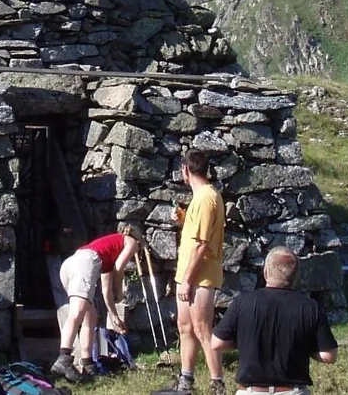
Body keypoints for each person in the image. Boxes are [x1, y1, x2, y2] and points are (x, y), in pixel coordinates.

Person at [210, 248, 338, 395]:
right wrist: (304, 348)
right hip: (292, 392)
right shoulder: (310, 307)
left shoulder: (243, 302)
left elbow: (217, 343)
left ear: (265, 273)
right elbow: (329, 356)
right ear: (296, 276)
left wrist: (245, 343)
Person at [161, 149, 225, 395]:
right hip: (188, 274)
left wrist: (187, 280)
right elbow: (197, 233)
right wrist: (183, 220)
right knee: (185, 326)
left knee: (202, 328)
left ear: (186, 170)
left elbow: (202, 244)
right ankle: (186, 380)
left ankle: (217, 383)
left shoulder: (207, 198)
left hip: (200, 275)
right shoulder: (200, 199)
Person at [50, 222, 145, 381]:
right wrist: (120, 293)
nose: (135, 253)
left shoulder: (106, 255)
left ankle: (89, 366)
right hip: (85, 263)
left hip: (70, 265)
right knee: (77, 313)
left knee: (91, 316)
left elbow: (106, 292)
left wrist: (114, 316)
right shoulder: (131, 241)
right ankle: (63, 359)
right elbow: (119, 268)